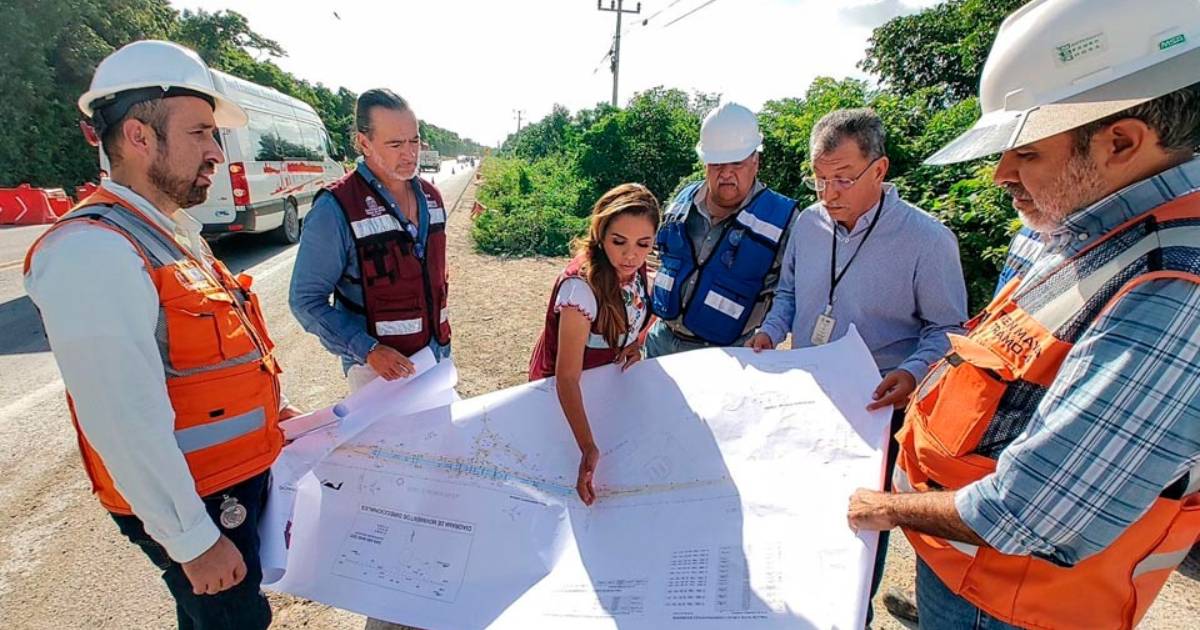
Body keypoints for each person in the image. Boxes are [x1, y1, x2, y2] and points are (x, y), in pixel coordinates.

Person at [847, 1, 1200, 628]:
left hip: (1013, 601)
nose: (1001, 174)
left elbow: (1030, 513)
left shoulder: (1176, 288)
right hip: (968, 572)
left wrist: (890, 506)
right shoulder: (1082, 226)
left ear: (1121, 141)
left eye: (1026, 153)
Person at [24, 40, 298, 629]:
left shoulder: (174, 234)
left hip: (224, 485)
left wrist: (274, 410)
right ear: (138, 137)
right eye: (200, 133)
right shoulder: (92, 252)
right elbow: (123, 419)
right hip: (199, 502)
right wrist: (192, 540)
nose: (216, 153)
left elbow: (208, 358)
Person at [746, 108, 967, 625]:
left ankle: (851, 616)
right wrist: (771, 331)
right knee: (796, 513)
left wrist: (912, 372)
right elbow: (790, 293)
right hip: (809, 399)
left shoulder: (927, 240)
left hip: (878, 412)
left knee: (857, 527)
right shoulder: (807, 224)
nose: (830, 193)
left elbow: (947, 331)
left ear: (880, 169)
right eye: (819, 179)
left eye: (843, 178)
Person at [290, 89, 451, 395]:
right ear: (364, 143)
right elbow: (305, 301)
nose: (410, 154)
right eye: (395, 144)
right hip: (380, 374)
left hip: (437, 357)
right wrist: (368, 350)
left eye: (414, 140)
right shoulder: (335, 208)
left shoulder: (432, 198)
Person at [528, 183, 660, 505]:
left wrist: (637, 341)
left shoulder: (634, 267)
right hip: (563, 399)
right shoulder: (579, 289)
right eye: (619, 242)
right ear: (600, 234)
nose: (631, 255)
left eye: (644, 244)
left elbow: (643, 313)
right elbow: (567, 378)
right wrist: (587, 446)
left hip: (603, 393)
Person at [646, 102, 799, 357]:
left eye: (736, 164)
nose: (726, 174)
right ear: (705, 163)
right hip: (661, 342)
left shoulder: (784, 219)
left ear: (755, 161)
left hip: (728, 355)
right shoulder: (683, 200)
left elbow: (789, 292)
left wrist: (770, 332)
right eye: (717, 165)